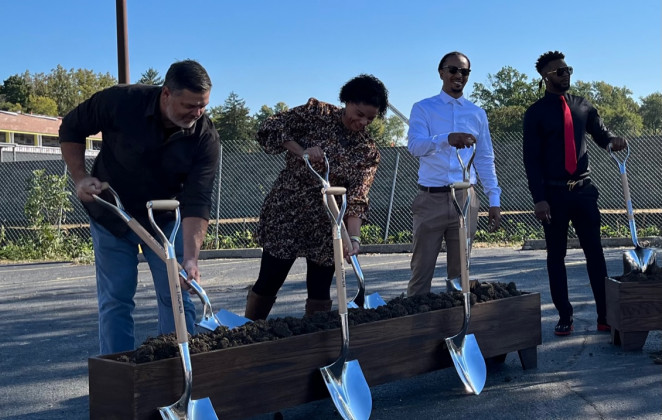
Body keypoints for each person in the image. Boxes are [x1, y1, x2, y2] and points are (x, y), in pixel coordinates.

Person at [59, 59, 220, 354]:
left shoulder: (204, 137)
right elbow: (71, 127)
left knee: (176, 295)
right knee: (117, 297)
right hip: (112, 214)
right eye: (189, 105)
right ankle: (119, 377)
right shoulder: (121, 102)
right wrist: (80, 178)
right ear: (166, 94)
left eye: (203, 106)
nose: (196, 114)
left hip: (164, 222)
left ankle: (174, 370)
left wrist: (192, 260)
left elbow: (198, 199)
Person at [244, 74, 388, 320]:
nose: (363, 122)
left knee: (320, 289)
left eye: (370, 119)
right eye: (360, 113)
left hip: (329, 222)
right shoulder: (316, 115)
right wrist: (302, 153)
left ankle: (315, 342)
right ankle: (249, 335)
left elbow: (357, 197)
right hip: (288, 210)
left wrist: (353, 238)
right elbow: (271, 127)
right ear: (347, 101)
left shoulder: (367, 152)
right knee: (270, 279)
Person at [523, 51, 627, 336]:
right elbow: (531, 160)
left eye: (567, 69)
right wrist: (539, 198)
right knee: (556, 256)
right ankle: (564, 315)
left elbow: (601, 134)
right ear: (545, 78)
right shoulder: (535, 113)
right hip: (553, 196)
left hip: (584, 191)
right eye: (558, 71)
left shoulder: (583, 106)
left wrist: (612, 141)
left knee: (595, 253)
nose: (565, 74)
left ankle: (605, 315)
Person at [406, 51, 502, 296]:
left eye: (465, 71)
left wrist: (494, 199)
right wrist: (446, 139)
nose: (459, 75)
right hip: (431, 198)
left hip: (465, 198)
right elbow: (415, 146)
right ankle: (418, 328)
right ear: (441, 72)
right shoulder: (424, 108)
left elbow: (484, 158)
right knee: (421, 271)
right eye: (453, 70)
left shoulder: (477, 114)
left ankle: (457, 325)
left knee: (460, 275)